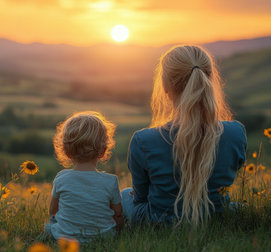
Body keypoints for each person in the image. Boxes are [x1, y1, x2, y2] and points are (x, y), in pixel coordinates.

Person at [122, 45, 247, 226]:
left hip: (160, 222)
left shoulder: (143, 141)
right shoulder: (236, 132)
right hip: (216, 216)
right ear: (209, 79)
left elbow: (140, 198)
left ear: (166, 85)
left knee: (126, 195)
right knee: (237, 206)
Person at [45, 111, 123, 242]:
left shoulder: (61, 178)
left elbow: (53, 210)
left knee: (49, 226)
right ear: (103, 151)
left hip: (65, 239)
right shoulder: (111, 181)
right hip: (103, 237)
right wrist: (119, 231)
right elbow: (118, 214)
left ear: (66, 151)